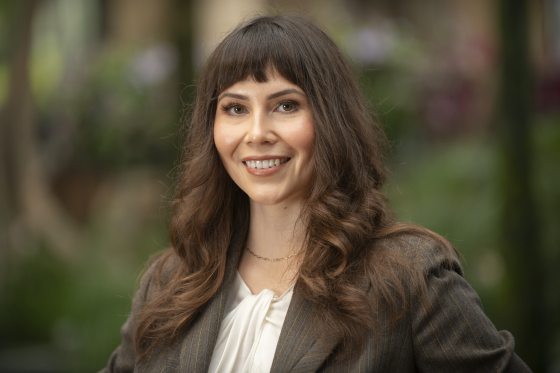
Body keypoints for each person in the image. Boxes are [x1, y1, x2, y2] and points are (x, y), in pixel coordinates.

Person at [101, 15, 531, 372]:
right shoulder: (172, 280)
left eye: (285, 105)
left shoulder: (408, 277)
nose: (257, 134)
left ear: (330, 119)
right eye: (235, 108)